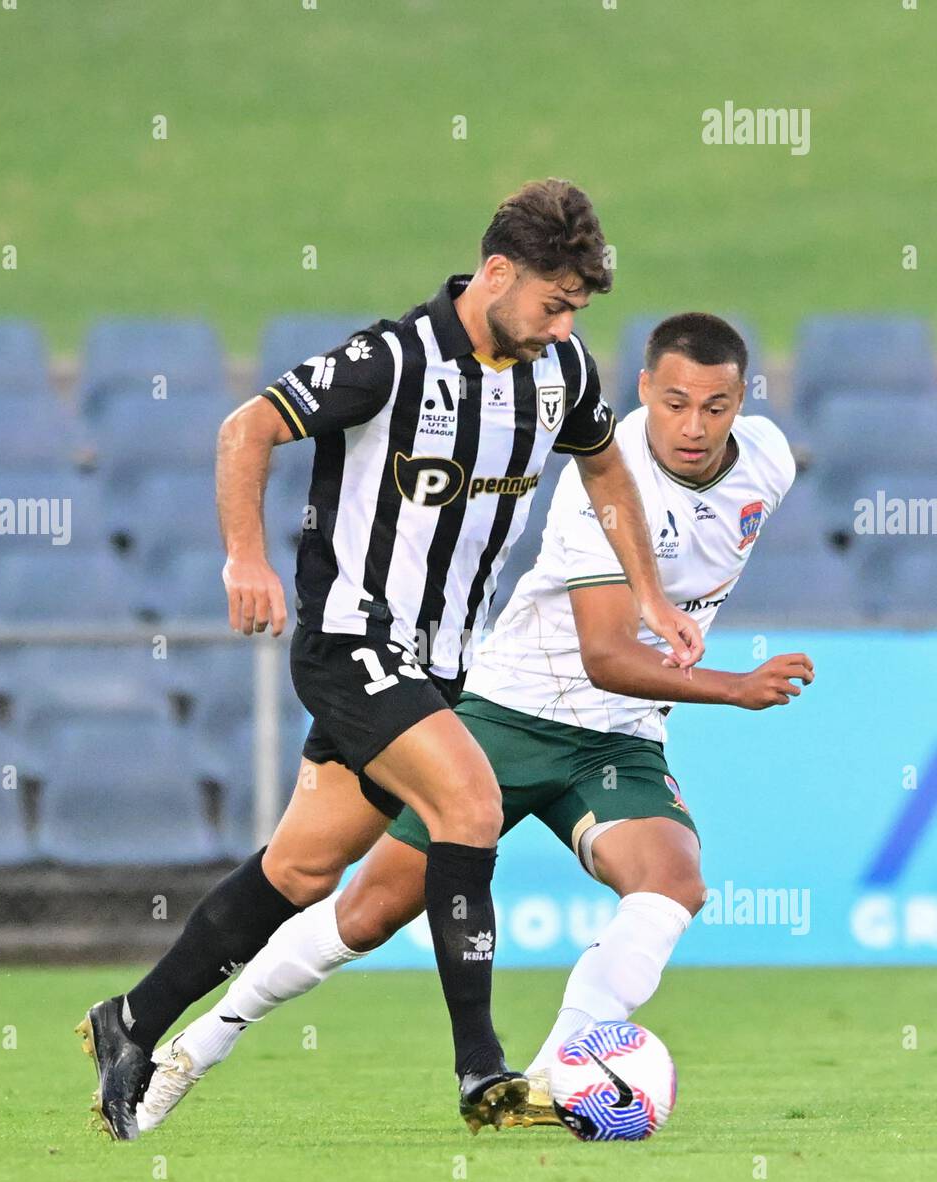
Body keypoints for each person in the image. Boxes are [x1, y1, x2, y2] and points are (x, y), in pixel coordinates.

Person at [77, 181, 703, 1141]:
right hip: (352, 642)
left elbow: (607, 465)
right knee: (472, 804)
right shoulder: (392, 360)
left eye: (578, 308)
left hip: (441, 663)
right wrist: (244, 556)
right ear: (497, 273)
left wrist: (652, 595)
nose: (564, 324)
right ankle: (481, 1071)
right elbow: (246, 428)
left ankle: (131, 1021)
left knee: (300, 871)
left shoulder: (559, 371)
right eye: (554, 301)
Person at [134, 312, 813, 1136]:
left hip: (621, 736)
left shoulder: (768, 462)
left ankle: (560, 1069)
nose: (694, 426)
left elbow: (647, 646)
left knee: (674, 883)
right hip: (509, 714)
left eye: (715, 406)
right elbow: (605, 654)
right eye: (675, 403)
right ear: (643, 392)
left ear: (744, 401)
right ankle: (197, 1046)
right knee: (367, 913)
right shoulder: (608, 480)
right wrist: (732, 688)